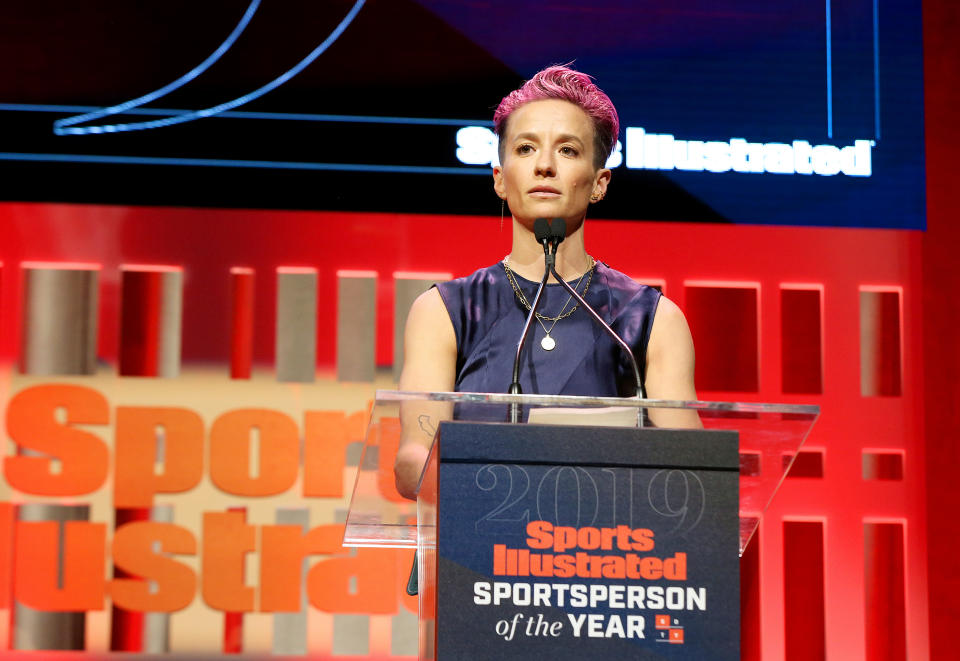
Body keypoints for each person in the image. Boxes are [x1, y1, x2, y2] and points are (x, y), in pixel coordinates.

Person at [394, 65, 700, 499]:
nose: (544, 166)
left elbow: (691, 474)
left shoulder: (649, 319)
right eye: (525, 148)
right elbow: (414, 462)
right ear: (500, 179)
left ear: (599, 183)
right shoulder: (446, 310)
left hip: (602, 553)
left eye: (568, 151)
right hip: (471, 557)